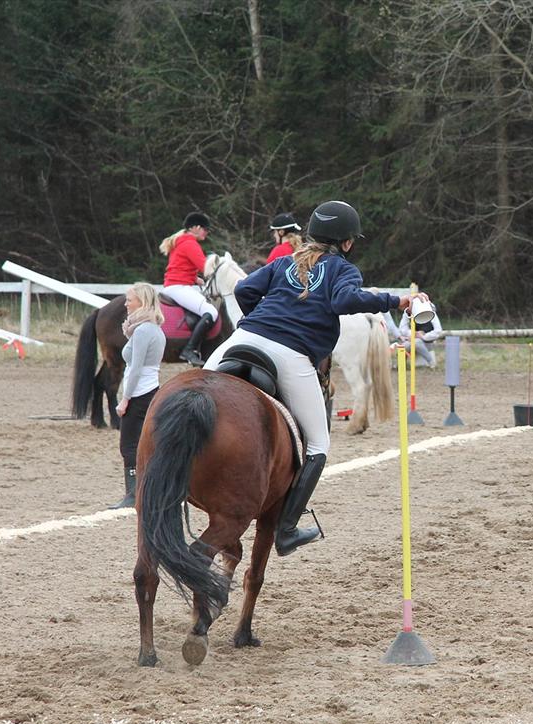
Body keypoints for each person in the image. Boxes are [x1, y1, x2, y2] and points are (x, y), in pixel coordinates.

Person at [204, 200, 426, 556]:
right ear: (348, 243)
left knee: (195, 392)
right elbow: (343, 302)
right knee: (319, 446)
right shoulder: (343, 270)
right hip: (290, 355)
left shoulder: (282, 262)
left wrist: (263, 321)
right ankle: (287, 529)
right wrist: (396, 302)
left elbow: (245, 291)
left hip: (243, 339)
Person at [110, 282, 166, 509]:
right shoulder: (152, 329)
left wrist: (125, 398)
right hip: (150, 388)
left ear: (141, 301)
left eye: (129, 299)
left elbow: (135, 368)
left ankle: (133, 493)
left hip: (140, 391)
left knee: (129, 445)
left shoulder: (143, 331)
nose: (125, 303)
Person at [160, 212, 218, 366]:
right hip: (178, 287)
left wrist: (195, 279)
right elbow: (205, 267)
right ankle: (189, 349)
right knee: (211, 312)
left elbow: (179, 267)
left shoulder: (181, 242)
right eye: (206, 229)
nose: (207, 233)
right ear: (196, 228)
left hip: (176, 285)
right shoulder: (190, 243)